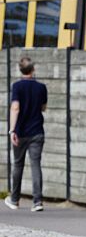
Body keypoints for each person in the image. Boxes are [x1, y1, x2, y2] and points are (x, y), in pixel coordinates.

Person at [5, 57, 47, 212]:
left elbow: (15, 108)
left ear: (20, 70)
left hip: (21, 133)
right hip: (37, 131)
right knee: (36, 165)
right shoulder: (41, 87)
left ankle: (15, 200)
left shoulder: (17, 86)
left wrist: (12, 130)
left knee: (18, 164)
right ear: (33, 69)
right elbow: (43, 107)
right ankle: (37, 202)